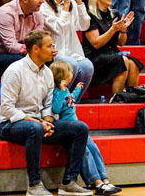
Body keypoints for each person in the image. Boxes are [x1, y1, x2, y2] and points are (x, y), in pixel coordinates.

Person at [0, 30, 92, 196]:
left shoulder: (48, 72)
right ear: (36, 49)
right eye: (49, 46)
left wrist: (47, 120)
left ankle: (69, 182)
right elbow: (7, 108)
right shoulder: (15, 71)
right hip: (10, 125)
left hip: (39, 123)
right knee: (36, 129)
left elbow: (48, 105)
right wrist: (38, 122)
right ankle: (34, 185)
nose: (53, 49)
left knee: (80, 128)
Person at [50, 60, 121, 195]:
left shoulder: (65, 91)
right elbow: (56, 108)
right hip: (69, 128)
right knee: (85, 151)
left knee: (93, 148)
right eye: (69, 72)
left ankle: (105, 179)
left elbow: (71, 100)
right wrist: (60, 91)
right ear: (62, 76)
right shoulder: (57, 92)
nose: (72, 74)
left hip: (78, 128)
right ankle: (97, 182)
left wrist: (77, 89)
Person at [40, 0, 94, 94]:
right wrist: (65, 6)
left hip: (72, 51)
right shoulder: (44, 6)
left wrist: (80, 2)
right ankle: (59, 100)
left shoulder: (73, 4)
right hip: (54, 53)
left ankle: (72, 103)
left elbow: (84, 26)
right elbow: (58, 29)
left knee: (87, 67)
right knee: (71, 65)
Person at [83, 0, 143, 95]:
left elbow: (121, 43)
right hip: (94, 57)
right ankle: (118, 98)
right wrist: (113, 30)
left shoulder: (114, 14)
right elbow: (96, 43)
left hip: (111, 54)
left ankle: (131, 97)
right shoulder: (89, 16)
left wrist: (124, 30)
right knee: (122, 61)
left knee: (133, 64)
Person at [0, 0, 45, 76]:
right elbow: (11, 46)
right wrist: (35, 50)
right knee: (22, 61)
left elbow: (37, 40)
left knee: (48, 59)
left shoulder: (38, 14)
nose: (42, 1)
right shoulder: (6, 13)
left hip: (23, 51)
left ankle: (50, 91)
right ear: (25, 0)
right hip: (0, 53)